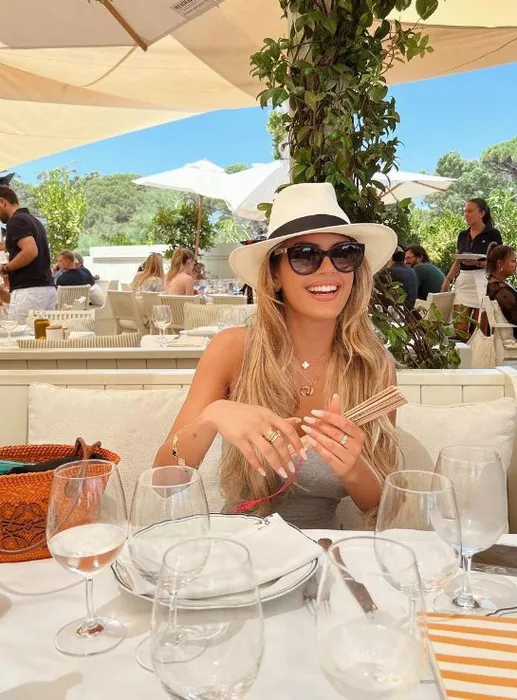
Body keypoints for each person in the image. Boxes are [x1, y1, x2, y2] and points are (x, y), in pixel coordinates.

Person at [154, 183, 399, 530]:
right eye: (304, 255)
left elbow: (383, 506)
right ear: (274, 273)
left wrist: (353, 467)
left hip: (324, 550)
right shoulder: (233, 350)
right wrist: (212, 416)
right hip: (240, 546)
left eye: (344, 254)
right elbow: (164, 483)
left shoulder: (373, 366)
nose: (328, 269)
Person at [442, 198, 502, 336]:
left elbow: (497, 261)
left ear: (481, 213)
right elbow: (458, 260)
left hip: (483, 278)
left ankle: (477, 350)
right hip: (464, 279)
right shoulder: (463, 235)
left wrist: (477, 263)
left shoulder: (493, 234)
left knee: (478, 329)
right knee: (459, 327)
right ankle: (463, 349)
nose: (466, 215)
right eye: (465, 211)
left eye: (470, 211)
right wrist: (447, 279)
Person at [0, 186, 56, 322]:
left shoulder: (15, 220)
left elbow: (30, 251)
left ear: (2, 202)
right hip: (46, 289)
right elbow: (20, 245)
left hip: (29, 291)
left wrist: (6, 268)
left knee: (19, 334)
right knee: (41, 335)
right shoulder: (33, 220)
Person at [486, 243, 517, 339]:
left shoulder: (495, 285)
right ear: (500, 263)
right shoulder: (500, 290)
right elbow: (515, 317)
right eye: (513, 261)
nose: (516, 264)